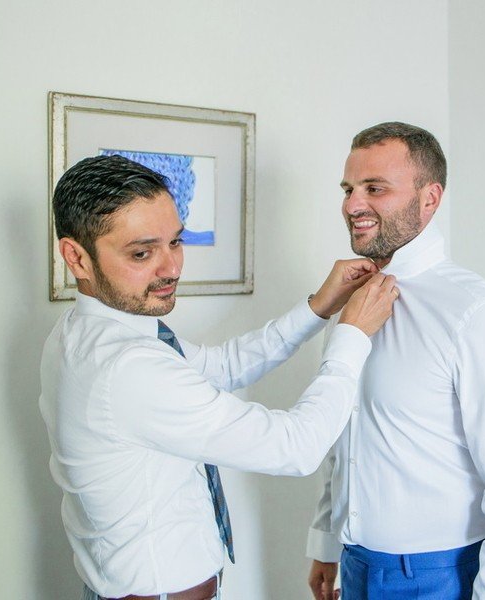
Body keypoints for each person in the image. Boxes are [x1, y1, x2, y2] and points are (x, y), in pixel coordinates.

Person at [40, 154, 399, 600]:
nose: (172, 268)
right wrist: (352, 335)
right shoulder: (128, 367)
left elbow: (221, 367)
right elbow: (296, 447)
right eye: (142, 253)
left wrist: (318, 308)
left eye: (175, 242)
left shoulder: (81, 332)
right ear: (76, 257)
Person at [305, 123, 485, 600]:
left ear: (429, 198)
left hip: (441, 578)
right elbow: (346, 436)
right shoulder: (349, 302)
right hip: (355, 566)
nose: (353, 205)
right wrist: (327, 542)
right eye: (348, 189)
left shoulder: (475, 315)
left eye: (375, 188)